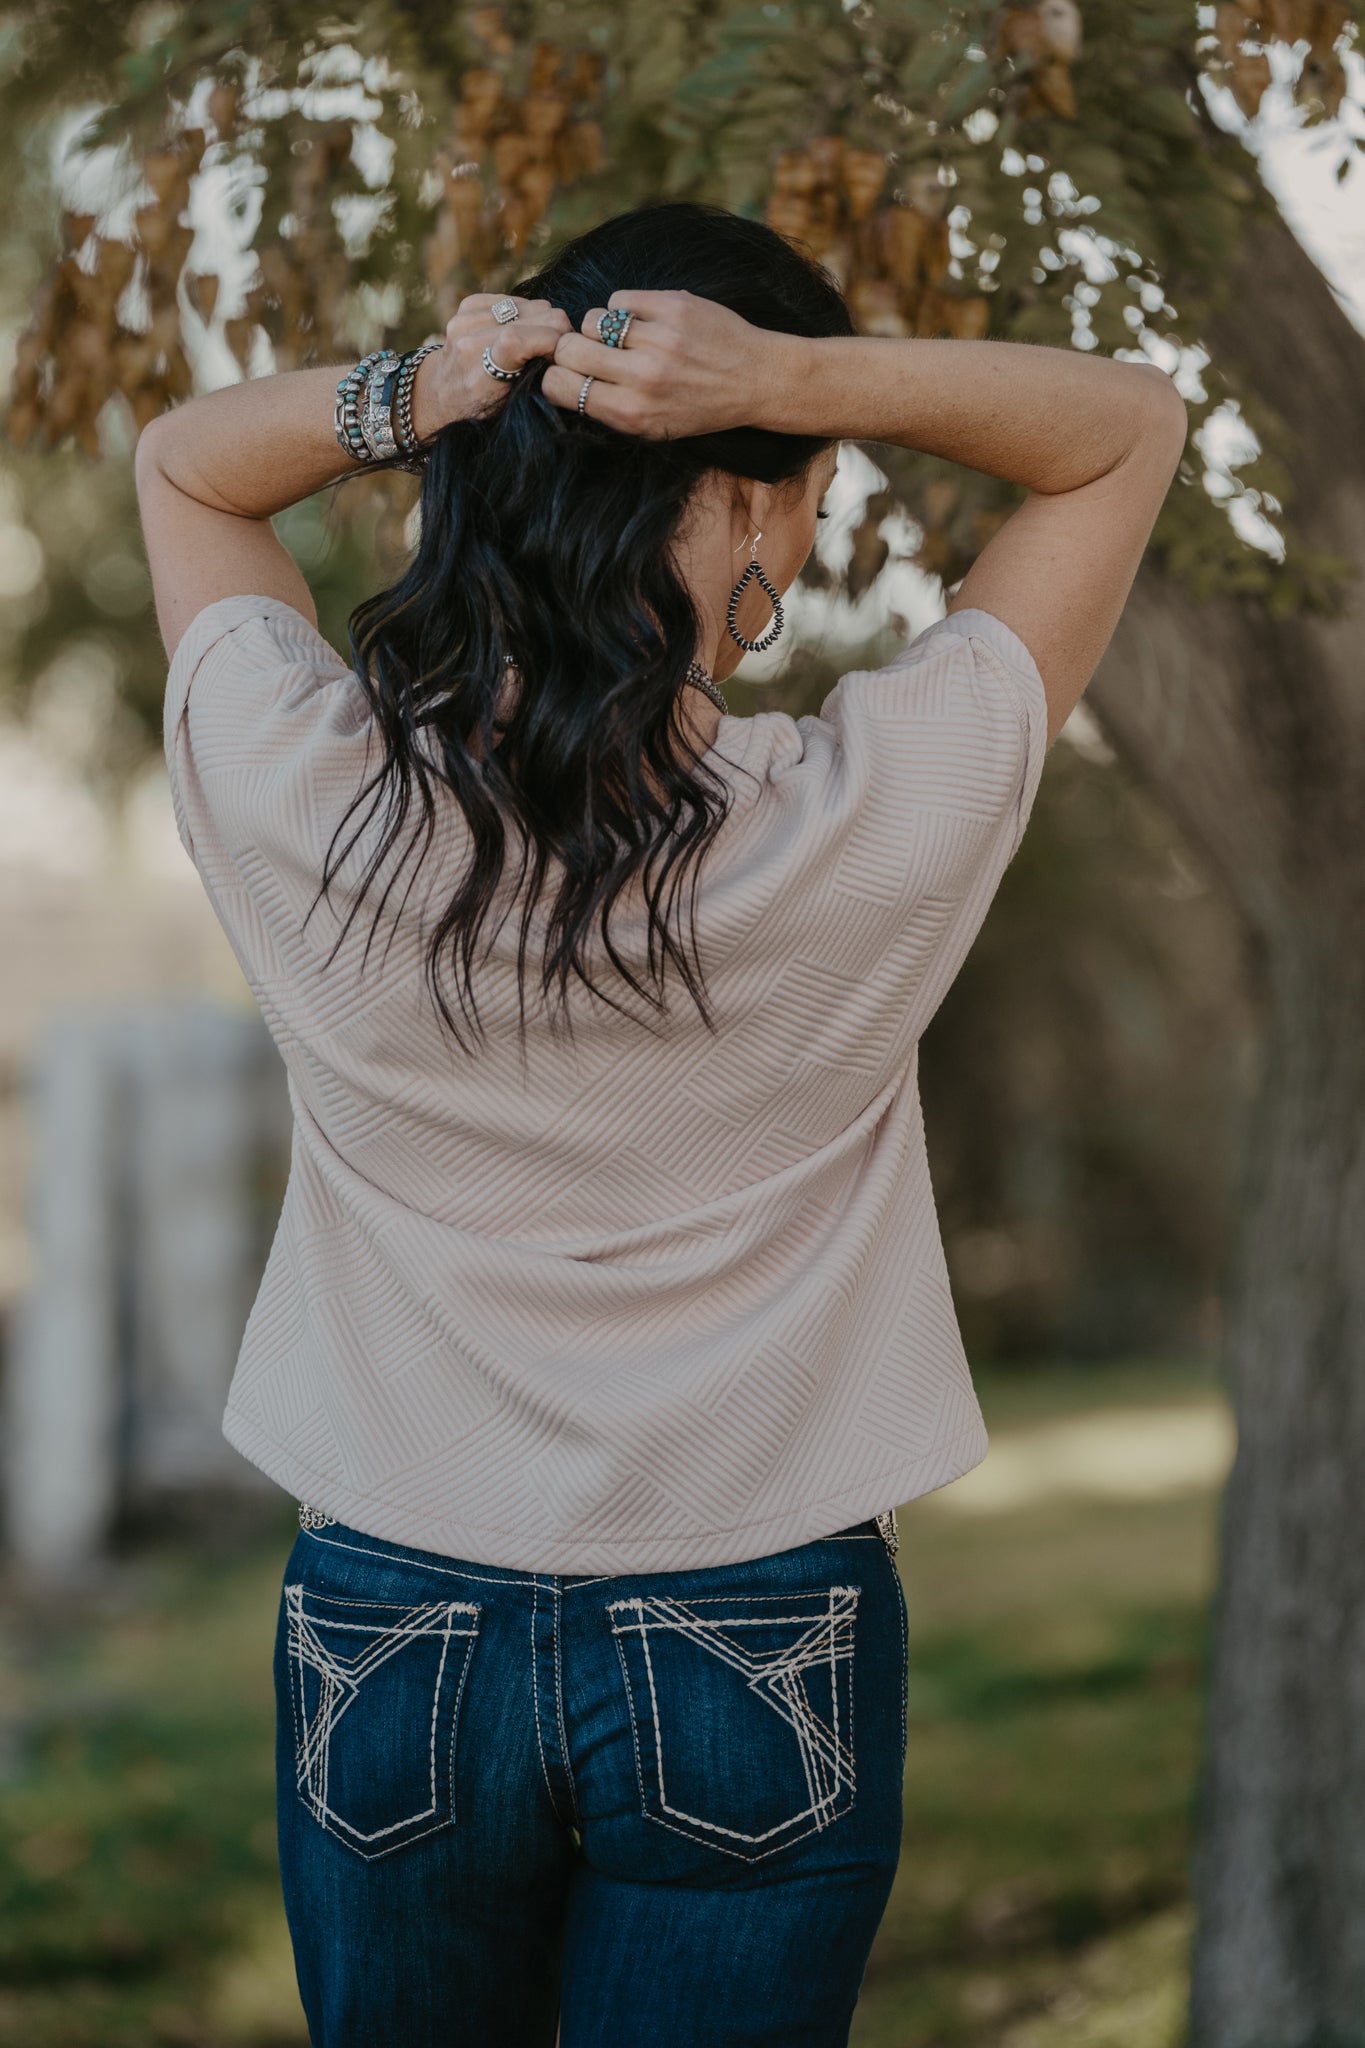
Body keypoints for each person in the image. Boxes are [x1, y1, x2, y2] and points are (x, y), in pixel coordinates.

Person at [135, 199, 1186, 2047]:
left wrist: (422, 389)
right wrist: (793, 383)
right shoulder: (865, 822)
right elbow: (1123, 431)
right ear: (764, 508)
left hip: (391, 1615)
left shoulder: (308, 795)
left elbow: (184, 472)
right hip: (755, 1606)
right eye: (804, 479)